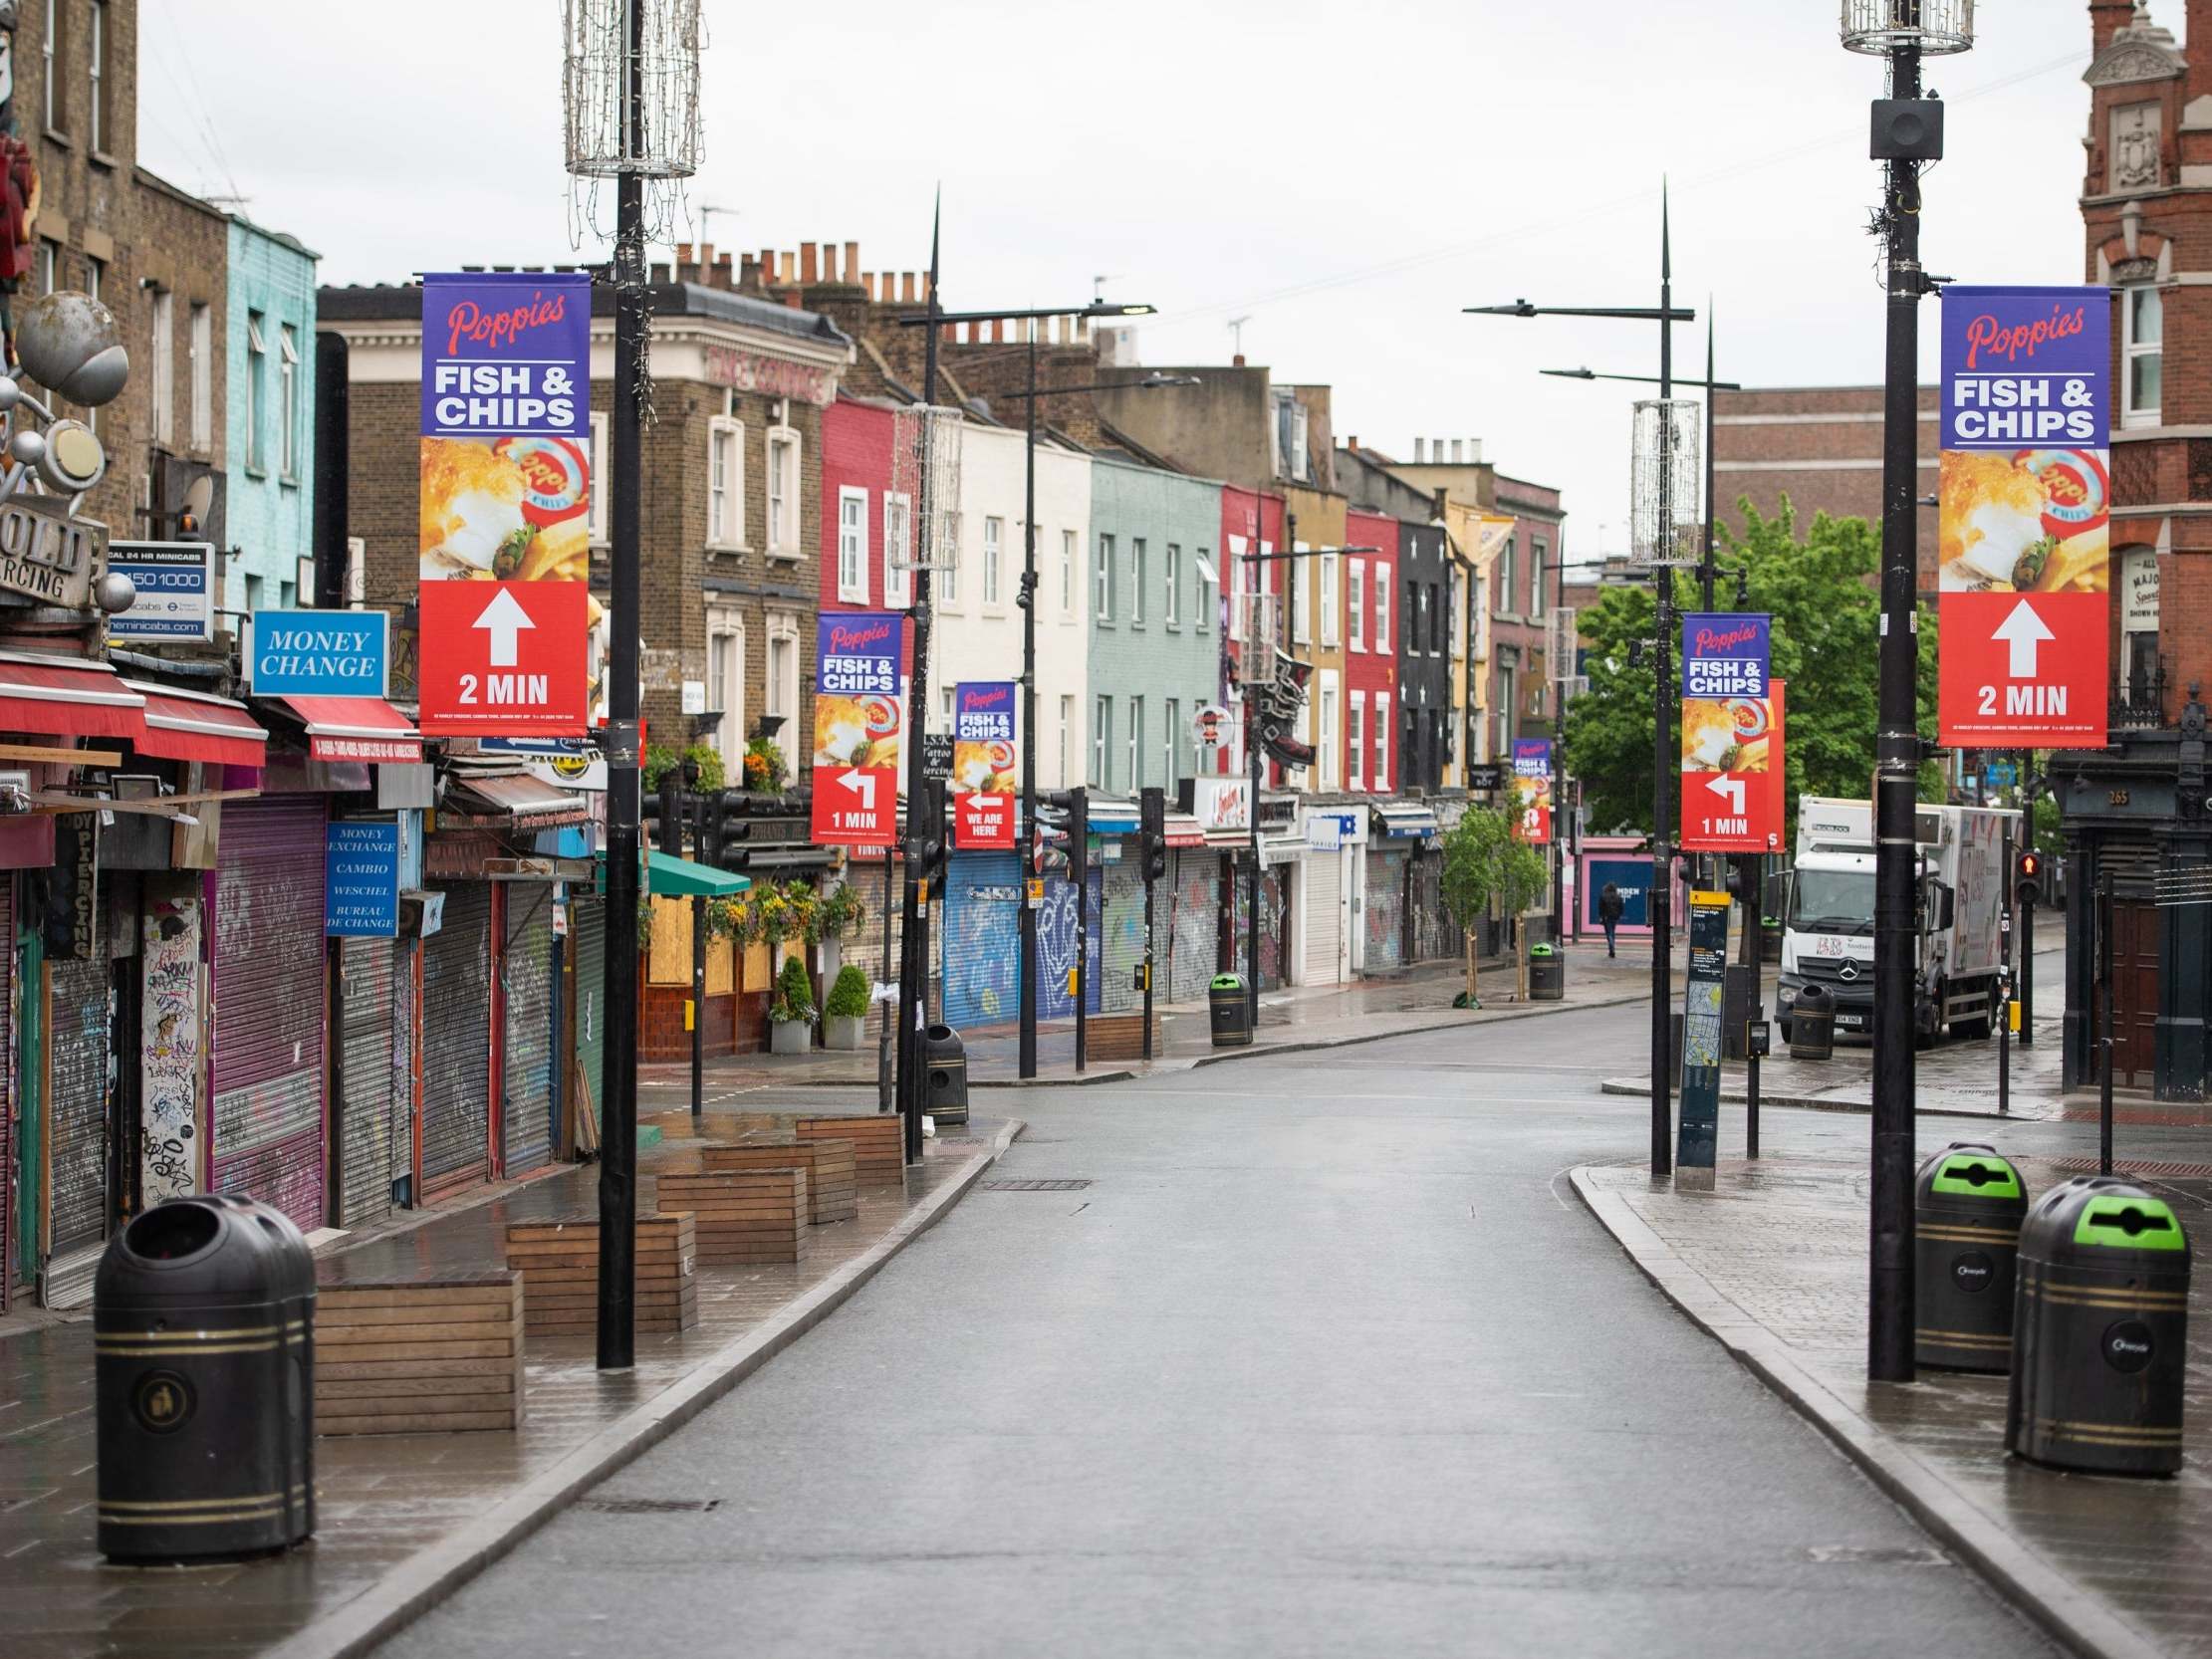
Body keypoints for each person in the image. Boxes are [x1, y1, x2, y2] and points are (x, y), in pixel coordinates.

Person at [1598, 882, 1625, 958]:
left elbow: (1600, 908)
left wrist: (1601, 916)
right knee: (1612, 931)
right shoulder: (1618, 896)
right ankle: (1611, 949)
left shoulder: (1603, 896)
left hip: (1606, 917)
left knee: (1608, 933)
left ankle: (1612, 948)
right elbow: (1621, 907)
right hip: (1615, 917)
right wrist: (1619, 915)